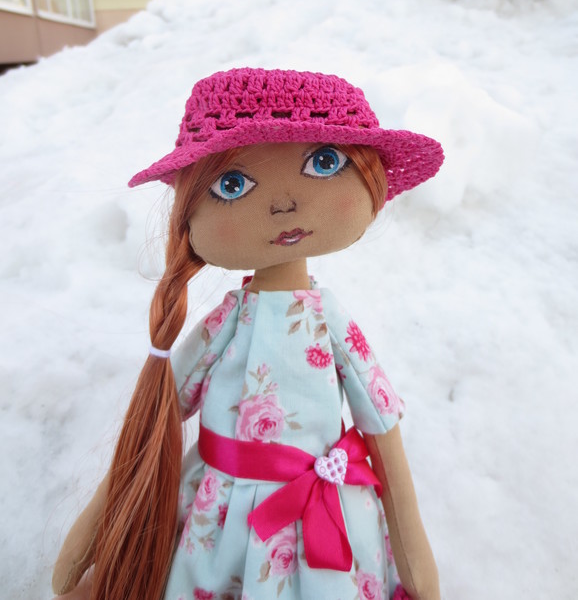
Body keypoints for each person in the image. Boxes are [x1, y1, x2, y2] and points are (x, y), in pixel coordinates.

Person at [52, 68, 444, 600]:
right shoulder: (224, 327)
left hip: (322, 517)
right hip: (220, 521)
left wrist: (414, 552)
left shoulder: (330, 322)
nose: (284, 205)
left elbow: (382, 432)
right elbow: (154, 426)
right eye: (232, 185)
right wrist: (94, 531)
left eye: (324, 163)